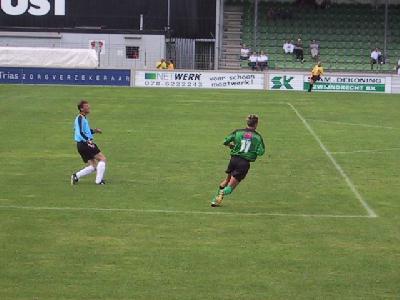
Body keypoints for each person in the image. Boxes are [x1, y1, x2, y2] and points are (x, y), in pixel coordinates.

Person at [211, 114, 265, 207]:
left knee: (227, 180)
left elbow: (225, 141)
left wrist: (231, 146)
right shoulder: (257, 137)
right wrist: (253, 150)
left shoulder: (238, 132)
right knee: (230, 188)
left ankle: (215, 200)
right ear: (256, 124)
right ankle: (218, 197)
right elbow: (261, 152)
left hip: (233, 160)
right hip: (243, 164)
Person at [71, 100, 107, 185]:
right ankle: (99, 181)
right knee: (102, 159)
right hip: (85, 143)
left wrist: (94, 131)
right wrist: (88, 140)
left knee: (94, 166)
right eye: (86, 106)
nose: (89, 107)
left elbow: (85, 131)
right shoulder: (80, 118)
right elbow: (80, 132)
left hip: (80, 145)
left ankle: (76, 176)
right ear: (81, 109)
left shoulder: (82, 118)